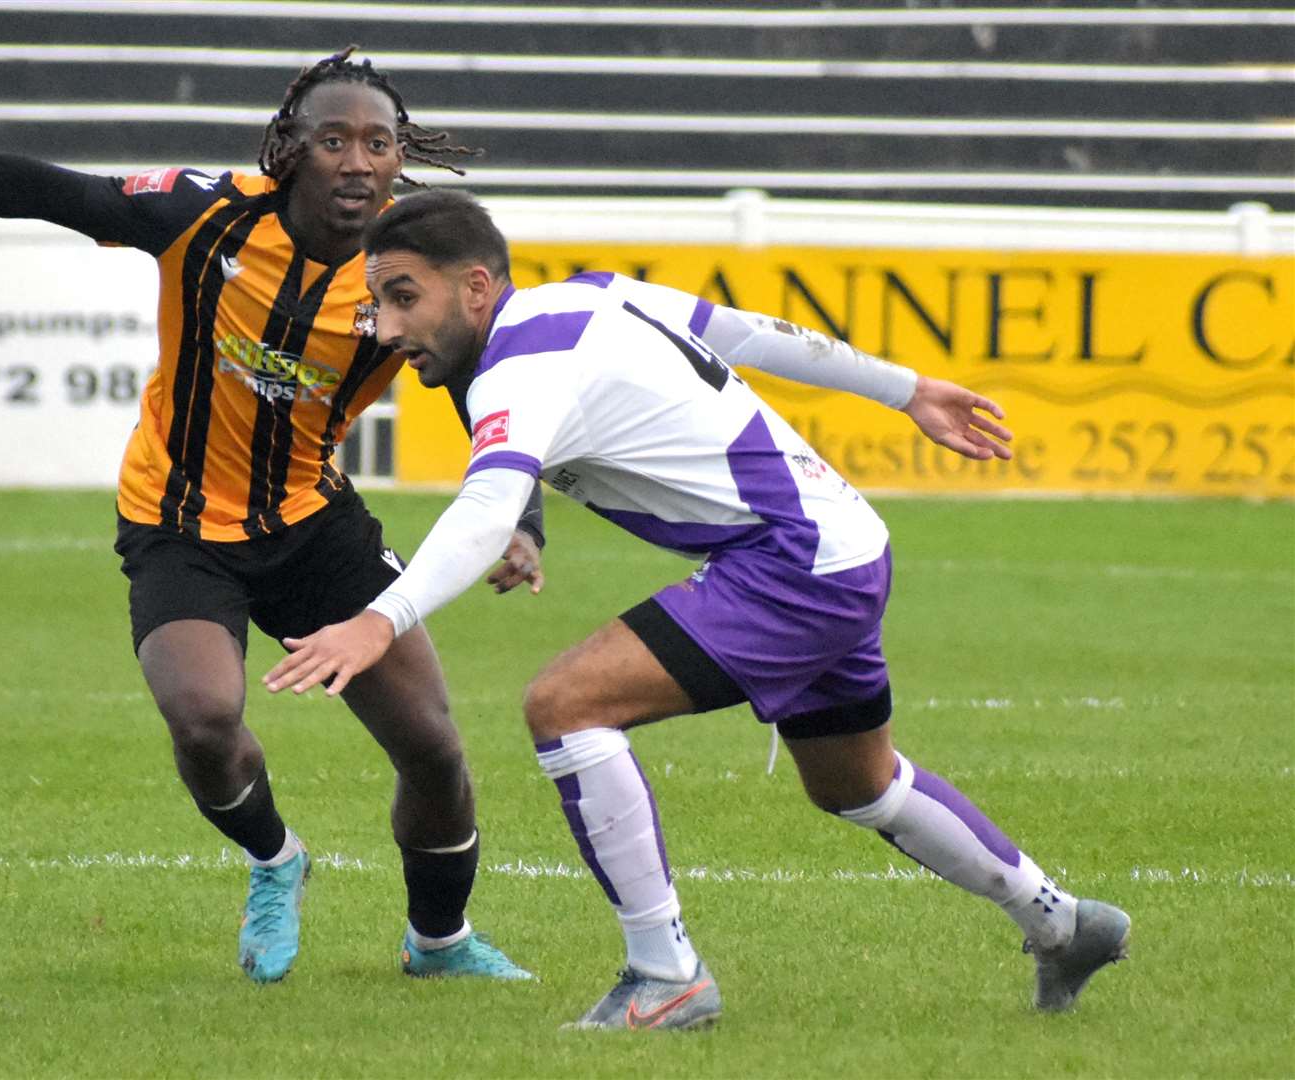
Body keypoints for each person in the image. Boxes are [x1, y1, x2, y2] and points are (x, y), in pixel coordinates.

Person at [265, 190, 1132, 1030]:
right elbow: (746, 331)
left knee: (566, 705)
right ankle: (1061, 923)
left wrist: (378, 619)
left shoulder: (516, 367)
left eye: (403, 297)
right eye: (377, 301)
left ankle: (665, 976)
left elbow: (486, 505)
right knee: (856, 783)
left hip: (790, 561)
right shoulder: (592, 292)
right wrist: (901, 387)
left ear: (477, 287)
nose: (385, 327)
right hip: (839, 540)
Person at [0, 49, 549, 983]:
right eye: (332, 138)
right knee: (205, 720)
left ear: (397, 159)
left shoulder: (402, 266)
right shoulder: (205, 214)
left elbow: (489, 380)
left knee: (431, 747)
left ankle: (438, 942)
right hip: (177, 523)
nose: (356, 160)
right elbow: (44, 191)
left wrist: (524, 514)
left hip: (313, 523)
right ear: (290, 149)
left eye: (377, 143)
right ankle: (275, 861)